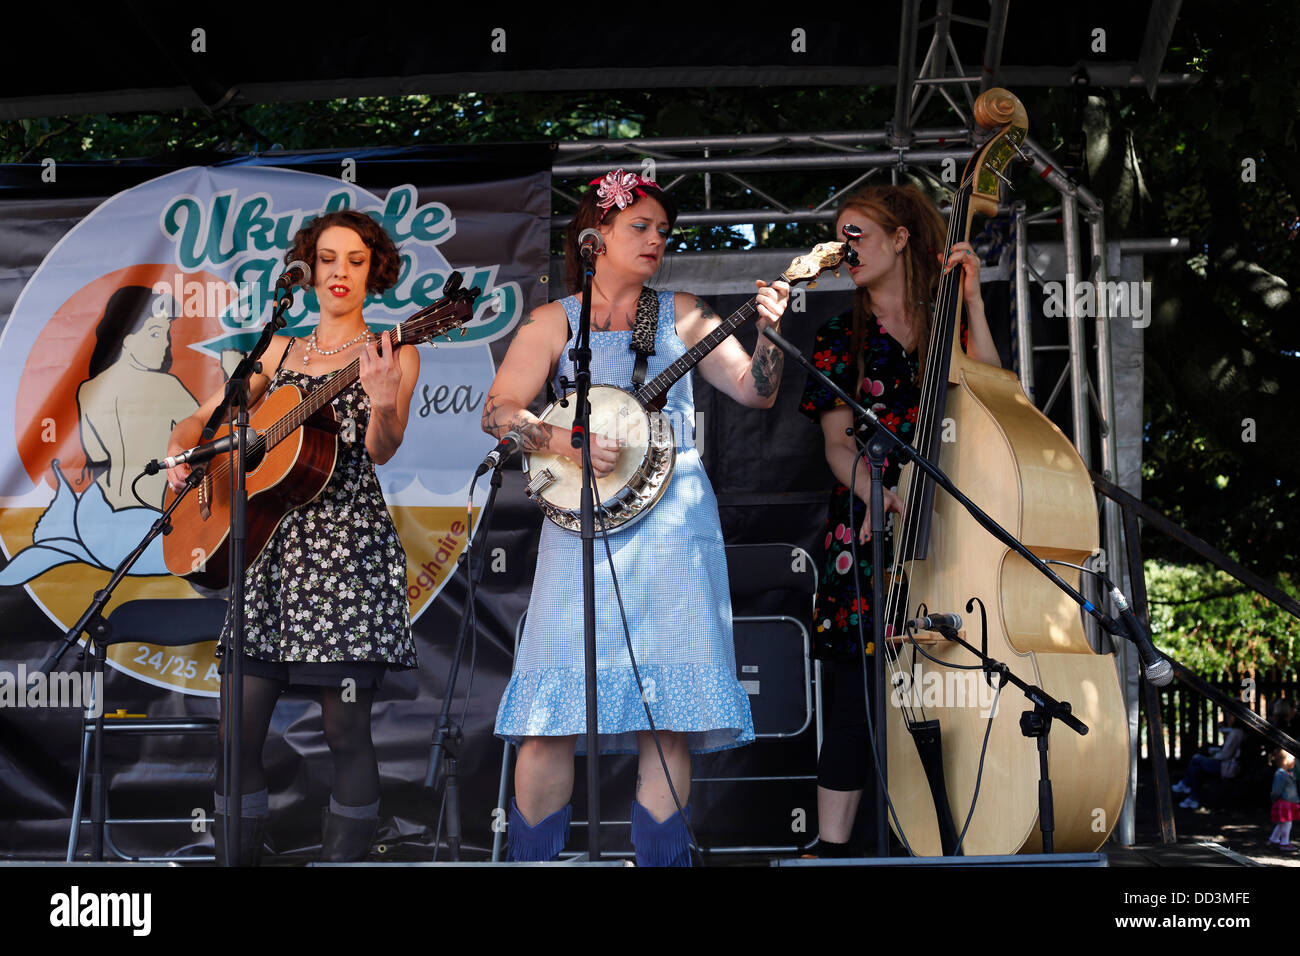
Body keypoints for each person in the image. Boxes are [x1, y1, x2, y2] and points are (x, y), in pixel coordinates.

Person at [482, 169, 789, 866]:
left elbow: (756, 391)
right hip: (579, 525)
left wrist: (771, 332)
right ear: (595, 238)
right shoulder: (554, 320)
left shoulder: (682, 313)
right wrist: (560, 438)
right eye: (639, 228)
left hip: (674, 523)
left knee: (668, 717)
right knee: (550, 718)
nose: (656, 240)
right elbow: (498, 411)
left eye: (663, 232)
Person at [165, 209, 420, 864]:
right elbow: (206, 420)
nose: (340, 272)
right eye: (328, 259)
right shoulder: (275, 353)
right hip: (268, 552)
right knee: (236, 733)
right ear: (308, 270)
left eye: (356, 261)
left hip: (347, 557)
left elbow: (384, 449)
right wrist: (180, 456)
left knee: (345, 731)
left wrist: (385, 400)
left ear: (375, 273)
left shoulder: (395, 350)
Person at [797, 184, 1001, 857]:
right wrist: (881, 491)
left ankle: (959, 832)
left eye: (855, 233)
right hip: (868, 529)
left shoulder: (951, 325)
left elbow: (998, 404)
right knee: (855, 696)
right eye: (839, 235)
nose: (842, 247)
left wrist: (971, 301)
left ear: (902, 237)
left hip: (955, 531)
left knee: (959, 680)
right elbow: (837, 442)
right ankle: (832, 850)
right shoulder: (838, 335)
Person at [78, 285, 199, 509]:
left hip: (106, 507)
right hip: (153, 509)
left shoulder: (86, 390)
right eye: (155, 333)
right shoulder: (165, 386)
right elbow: (214, 432)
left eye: (166, 335)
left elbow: (95, 453)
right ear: (127, 338)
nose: (164, 343)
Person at [1171, 711, 1244, 809]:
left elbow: (1225, 754)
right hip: (1227, 765)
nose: (1228, 719)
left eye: (1230, 716)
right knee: (1196, 769)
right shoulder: (1235, 732)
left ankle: (1186, 785)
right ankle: (1192, 796)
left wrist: (1213, 756)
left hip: (1228, 767)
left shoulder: (1236, 733)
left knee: (1196, 759)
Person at [1267, 748, 1299, 851]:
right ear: (1286, 760)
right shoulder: (1280, 774)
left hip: (1289, 802)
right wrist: (1274, 798)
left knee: (1283, 823)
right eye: (1292, 759)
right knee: (1287, 823)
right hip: (1284, 803)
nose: (1294, 761)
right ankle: (1284, 842)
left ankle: (1274, 839)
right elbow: (1276, 789)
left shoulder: (1288, 773)